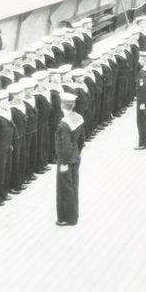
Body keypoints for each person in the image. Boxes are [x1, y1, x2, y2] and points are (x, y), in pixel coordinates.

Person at [55, 92, 84, 226]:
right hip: (76, 156)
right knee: (73, 185)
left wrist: (64, 163)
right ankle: (74, 215)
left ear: (62, 105)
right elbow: (82, 139)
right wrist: (77, 153)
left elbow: (64, 146)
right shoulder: (78, 118)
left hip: (66, 160)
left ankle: (67, 218)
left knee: (64, 188)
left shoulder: (63, 125)